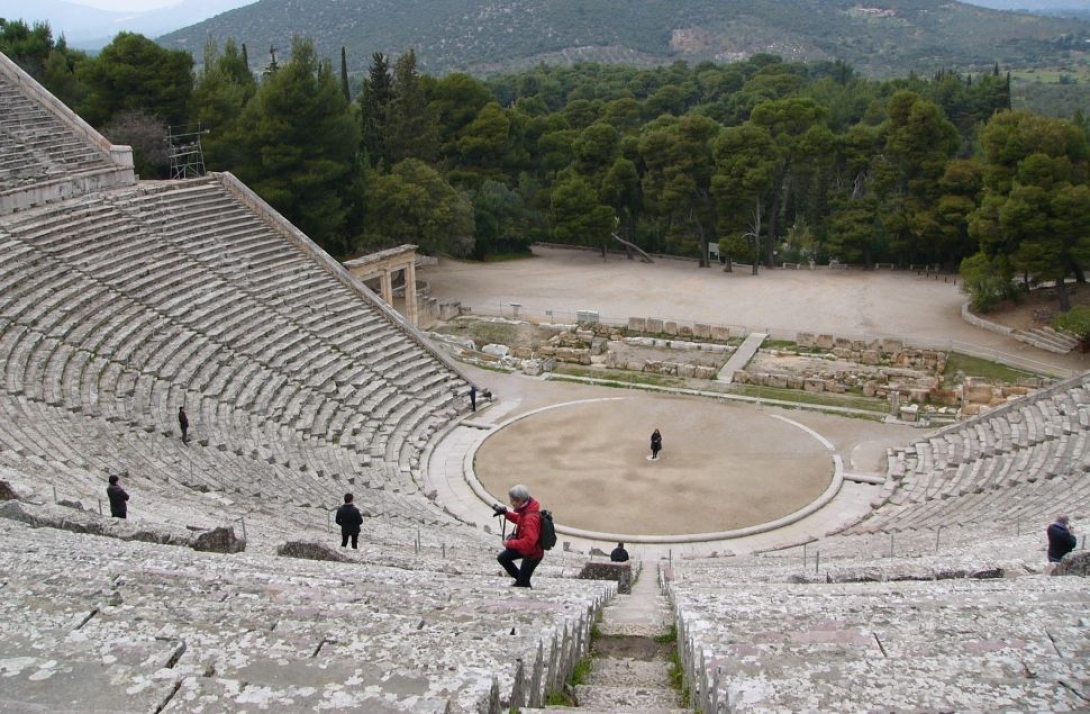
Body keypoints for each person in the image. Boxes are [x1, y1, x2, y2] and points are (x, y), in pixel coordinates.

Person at [493, 484, 545, 588]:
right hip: (525, 548)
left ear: (519, 500)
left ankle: (523, 583)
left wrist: (509, 543)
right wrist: (506, 513)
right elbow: (519, 519)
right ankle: (522, 580)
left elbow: (529, 543)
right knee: (503, 558)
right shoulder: (526, 509)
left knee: (523, 584)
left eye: (512, 500)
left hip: (533, 554)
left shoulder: (530, 518)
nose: (510, 503)